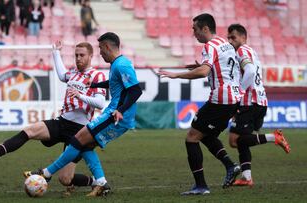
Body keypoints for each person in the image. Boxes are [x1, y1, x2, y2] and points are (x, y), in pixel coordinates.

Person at [0, 40, 108, 196]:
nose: (78, 58)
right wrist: (56, 52)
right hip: (62, 122)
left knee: (65, 179)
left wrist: (80, 95)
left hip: (79, 131)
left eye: (82, 55)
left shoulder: (98, 75)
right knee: (30, 130)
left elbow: (100, 103)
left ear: (91, 56)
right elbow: (61, 75)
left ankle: (96, 182)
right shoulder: (73, 73)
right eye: (76, 55)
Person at [25, 32, 142, 197]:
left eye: (101, 48)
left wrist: (120, 110)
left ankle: (46, 173)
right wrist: (94, 84)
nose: (100, 53)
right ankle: (101, 183)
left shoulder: (121, 64)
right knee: (85, 144)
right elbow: (115, 83)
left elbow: (136, 90)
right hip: (114, 112)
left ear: (108, 47)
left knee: (78, 139)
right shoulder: (117, 64)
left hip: (116, 115)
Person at [158, 13, 242, 195]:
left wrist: (176, 75)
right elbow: (221, 68)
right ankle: (231, 166)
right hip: (233, 99)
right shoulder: (224, 44)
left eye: (195, 29)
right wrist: (199, 67)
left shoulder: (209, 46)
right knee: (206, 135)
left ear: (205, 29)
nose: (193, 33)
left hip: (220, 99)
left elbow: (204, 72)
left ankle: (201, 186)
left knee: (191, 138)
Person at [226, 24, 290, 187]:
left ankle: (274, 137)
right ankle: (247, 178)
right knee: (241, 141)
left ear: (243, 38)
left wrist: (239, 92)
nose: (230, 40)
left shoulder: (241, 51)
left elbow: (251, 72)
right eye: (229, 37)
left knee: (234, 140)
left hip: (250, 102)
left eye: (233, 37)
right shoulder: (253, 52)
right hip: (260, 101)